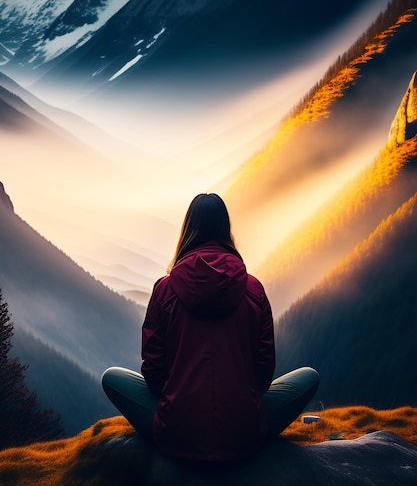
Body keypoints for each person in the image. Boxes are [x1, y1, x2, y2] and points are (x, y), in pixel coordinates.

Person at [102, 193, 319, 462]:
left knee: (111, 377)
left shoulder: (164, 289)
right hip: (245, 435)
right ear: (226, 231)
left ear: (187, 231)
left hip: (176, 434)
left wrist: (180, 398)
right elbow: (264, 374)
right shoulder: (253, 289)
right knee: (309, 376)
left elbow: (154, 371)